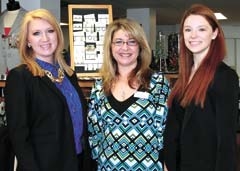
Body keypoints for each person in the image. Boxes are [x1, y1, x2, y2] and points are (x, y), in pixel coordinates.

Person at [4, 9, 91, 171]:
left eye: (50, 31)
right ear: (28, 41)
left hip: (77, 161)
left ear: (57, 35)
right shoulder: (20, 78)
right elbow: (19, 137)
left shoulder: (69, 75)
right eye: (36, 33)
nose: (45, 38)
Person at [163, 4, 239, 171]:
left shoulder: (225, 77)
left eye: (201, 29)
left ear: (214, 33)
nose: (193, 35)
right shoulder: (184, 76)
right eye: (188, 29)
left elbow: (225, 141)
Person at [87, 18, 170, 171]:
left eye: (132, 42)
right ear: (110, 47)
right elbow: (94, 134)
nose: (125, 47)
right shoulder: (99, 87)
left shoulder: (158, 83)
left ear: (140, 47)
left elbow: (167, 132)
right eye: (118, 42)